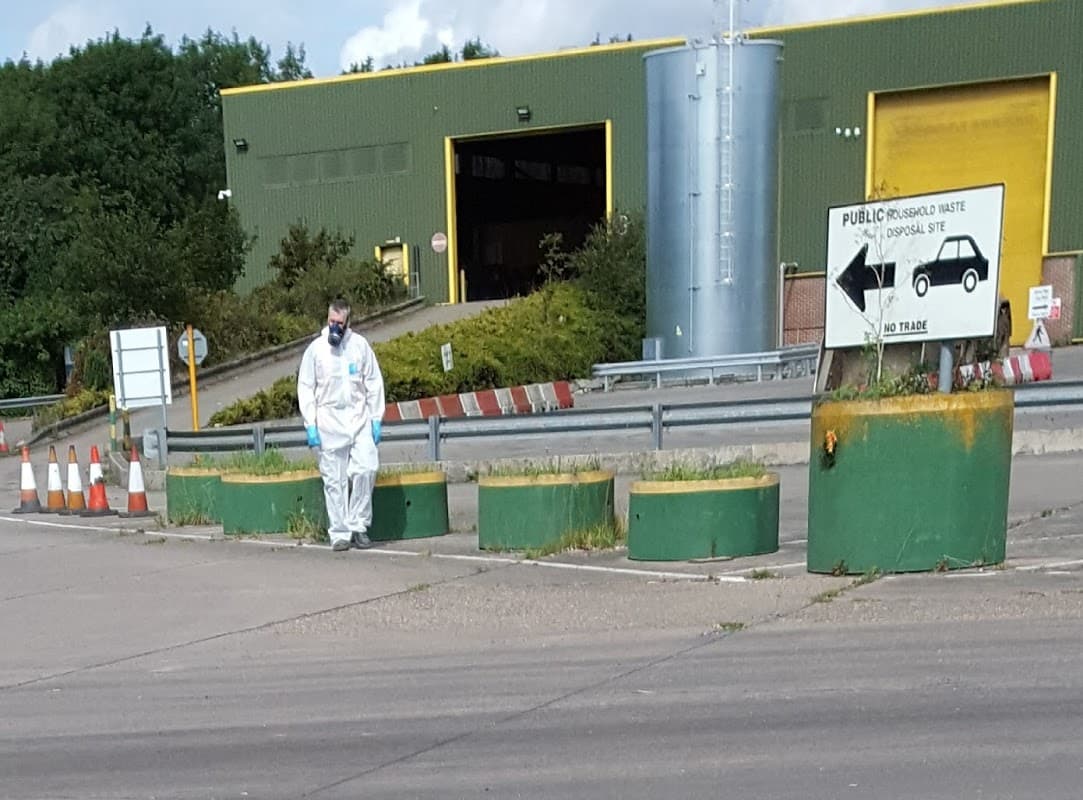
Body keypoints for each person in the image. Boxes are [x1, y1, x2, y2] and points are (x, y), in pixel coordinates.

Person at [297, 299, 386, 552]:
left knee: (366, 470)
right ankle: (340, 533)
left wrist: (375, 418)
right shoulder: (316, 350)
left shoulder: (359, 346)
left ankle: (358, 526)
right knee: (334, 480)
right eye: (331, 322)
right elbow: (306, 387)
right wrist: (310, 424)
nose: (335, 327)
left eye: (340, 323)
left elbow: (373, 382)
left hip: (358, 419)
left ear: (348, 322)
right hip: (328, 422)